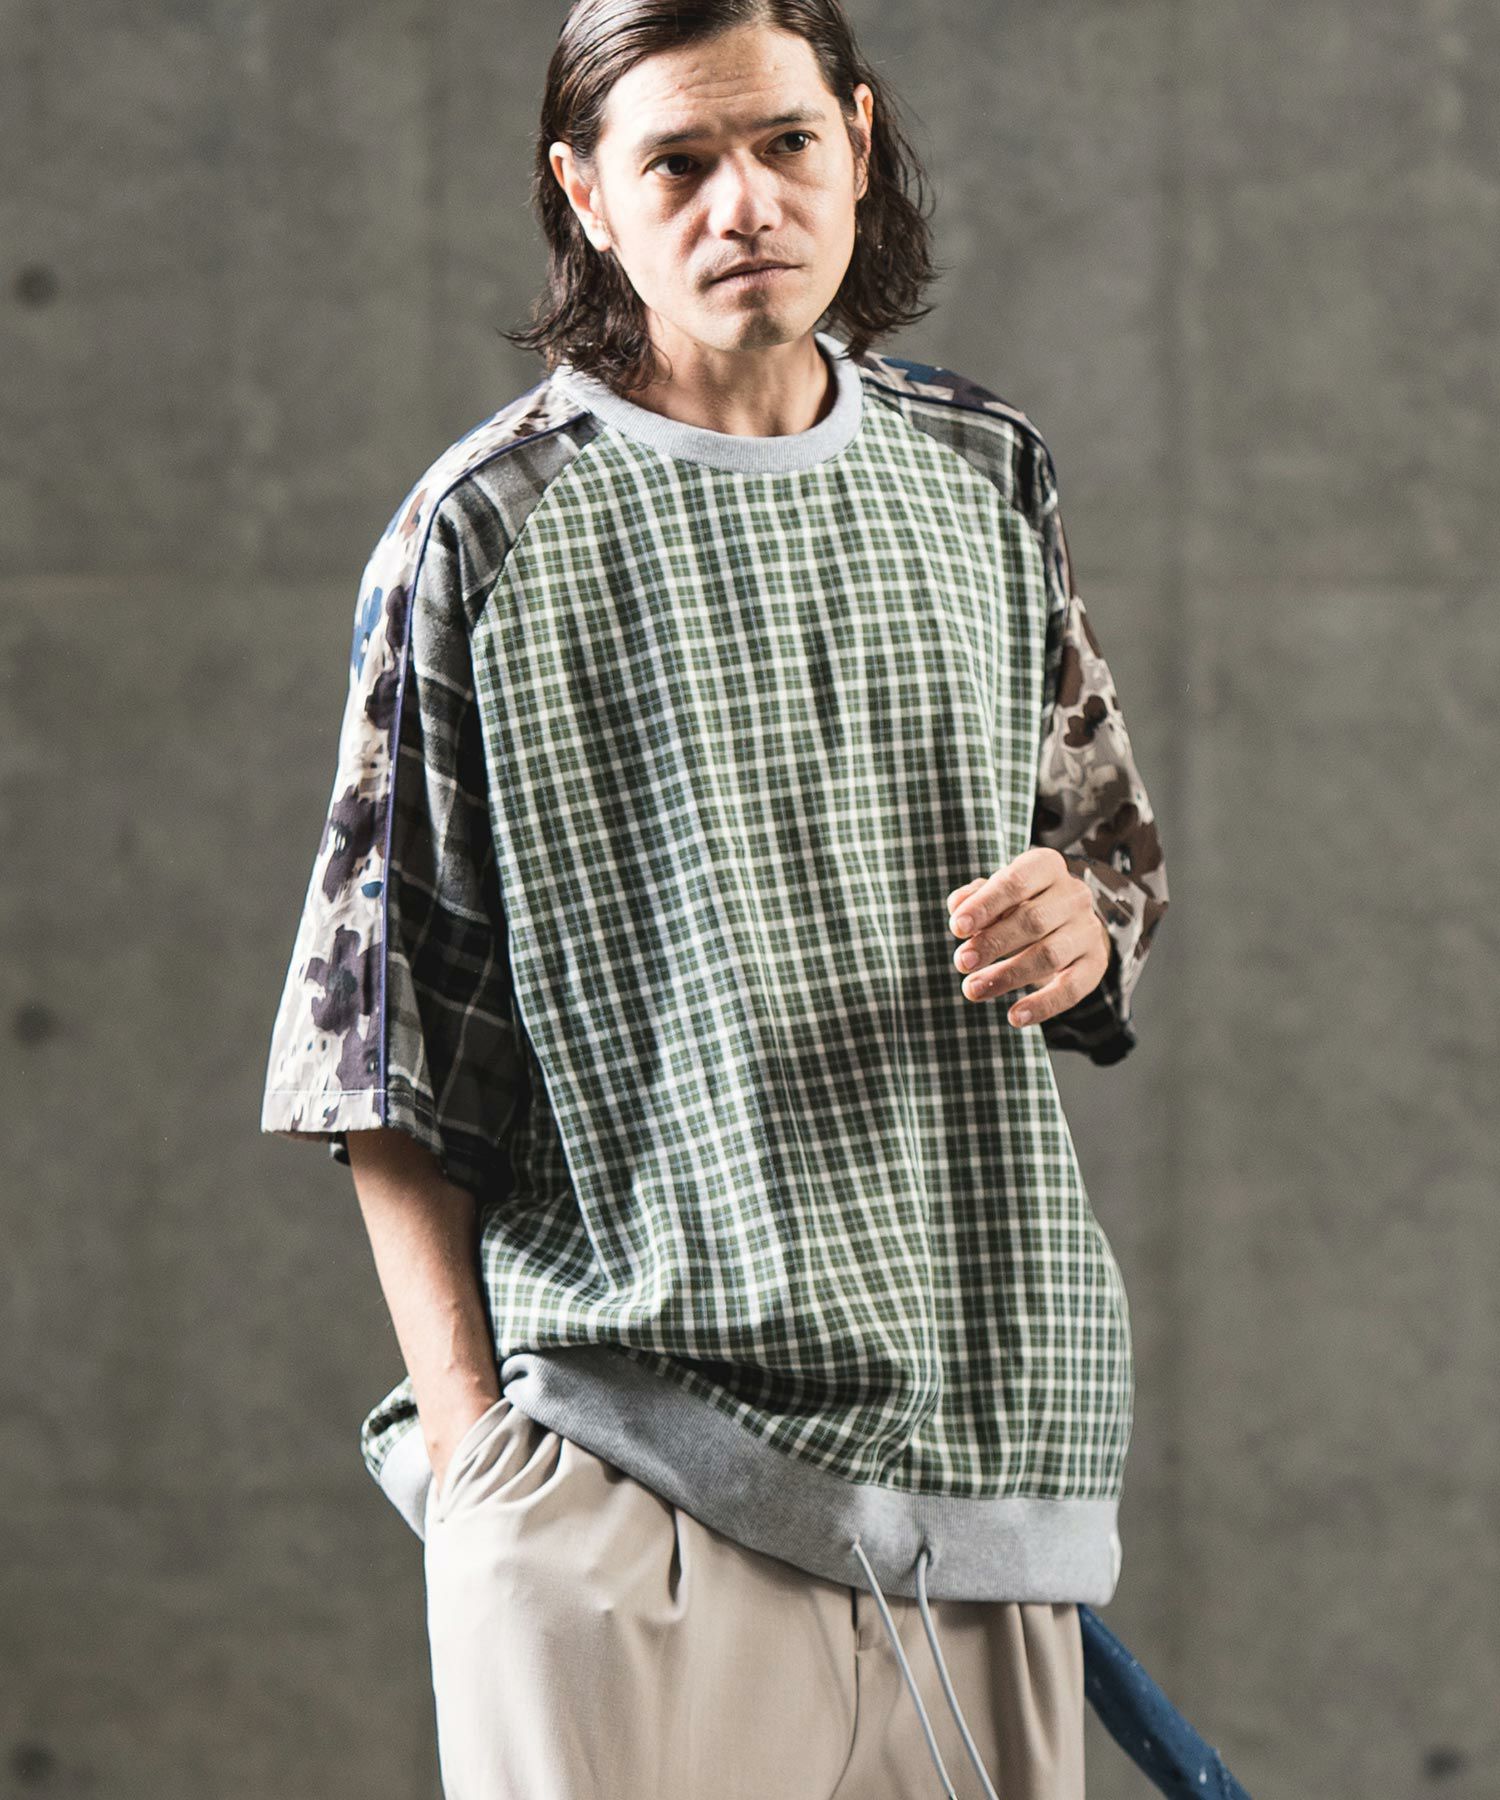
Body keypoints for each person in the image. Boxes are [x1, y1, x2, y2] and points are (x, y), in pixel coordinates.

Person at [257, 3, 1210, 1796]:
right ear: (589, 198)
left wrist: (1081, 928)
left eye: (783, 143)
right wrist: (481, 1483)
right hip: (636, 1487)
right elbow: (381, 1051)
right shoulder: (489, 531)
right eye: (678, 162)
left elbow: (1110, 861)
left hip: (987, 1480)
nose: (744, 202)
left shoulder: (985, 472)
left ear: (857, 139)